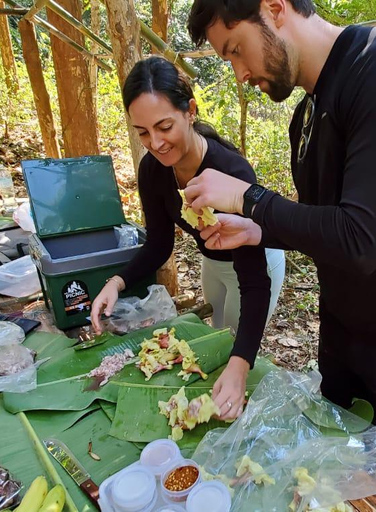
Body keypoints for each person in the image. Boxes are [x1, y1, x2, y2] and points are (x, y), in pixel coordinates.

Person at [184, 0, 376, 508]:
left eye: (236, 51)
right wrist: (257, 230)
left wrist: (250, 198)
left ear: (275, 8)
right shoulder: (306, 115)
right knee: (331, 476)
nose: (240, 73)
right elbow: (327, 227)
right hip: (341, 330)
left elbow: (362, 238)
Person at [90, 56, 286, 421]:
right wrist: (117, 283)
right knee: (215, 341)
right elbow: (159, 244)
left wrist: (240, 365)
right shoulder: (153, 170)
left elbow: (254, 282)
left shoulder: (230, 171)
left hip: (257, 263)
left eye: (165, 126)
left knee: (236, 353)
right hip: (212, 263)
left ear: (190, 111)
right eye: (143, 132)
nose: (157, 143)